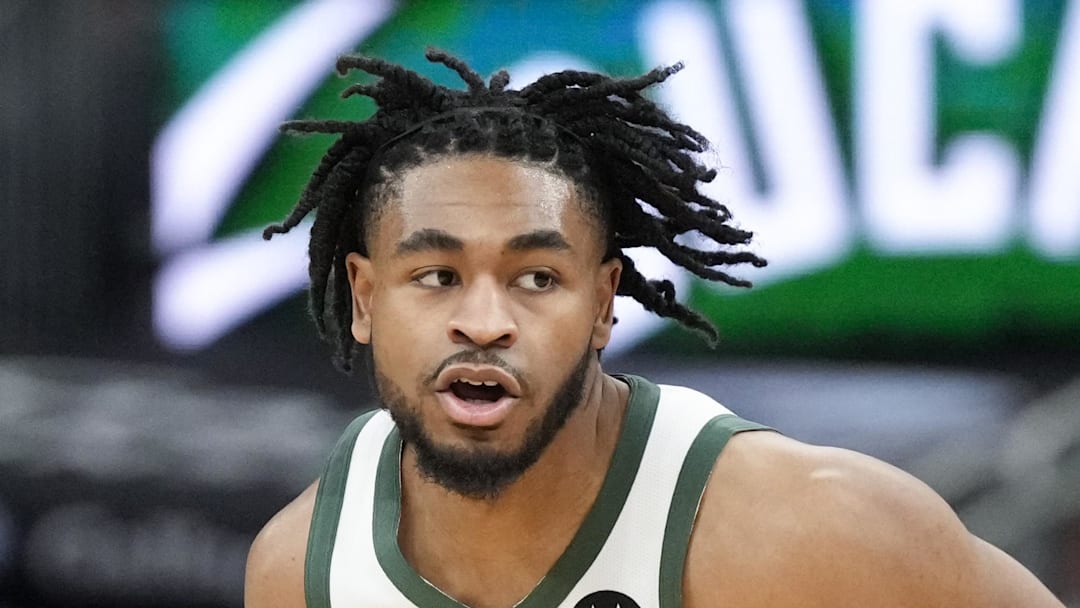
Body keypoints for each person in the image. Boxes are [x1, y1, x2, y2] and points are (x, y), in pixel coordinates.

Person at [244, 48, 1064, 607]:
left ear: (604, 305)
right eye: (437, 277)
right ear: (363, 297)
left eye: (537, 278)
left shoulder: (813, 529)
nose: (484, 322)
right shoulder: (300, 571)